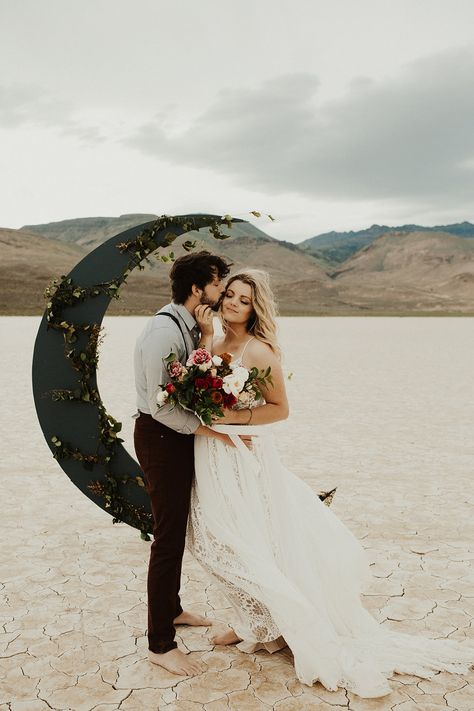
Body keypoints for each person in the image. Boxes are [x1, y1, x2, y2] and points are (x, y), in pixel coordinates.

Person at [187, 268, 474, 698]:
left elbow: (279, 409)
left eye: (243, 300)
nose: (232, 303)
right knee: (219, 536)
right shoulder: (207, 341)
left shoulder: (258, 351)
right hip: (210, 454)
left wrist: (232, 419)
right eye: (229, 294)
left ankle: (269, 624)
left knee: (252, 538)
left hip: (244, 456)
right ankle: (260, 620)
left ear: (255, 307)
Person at [133, 250, 252, 677]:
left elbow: (186, 385)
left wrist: (204, 336)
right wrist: (214, 432)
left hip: (177, 437)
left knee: (179, 529)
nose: (223, 291)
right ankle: (159, 644)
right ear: (197, 288)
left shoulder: (189, 325)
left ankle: (174, 609)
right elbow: (159, 406)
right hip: (161, 438)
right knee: (167, 537)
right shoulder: (163, 333)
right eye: (219, 284)